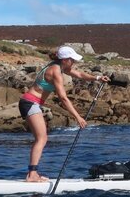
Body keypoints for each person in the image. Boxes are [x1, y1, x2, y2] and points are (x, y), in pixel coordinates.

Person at [19, 45, 109, 182]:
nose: (74, 62)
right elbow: (63, 98)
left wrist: (97, 78)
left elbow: (78, 74)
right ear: (65, 59)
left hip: (31, 103)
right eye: (72, 60)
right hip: (30, 103)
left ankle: (33, 173)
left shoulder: (59, 66)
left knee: (41, 139)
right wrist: (78, 117)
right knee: (41, 139)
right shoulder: (55, 71)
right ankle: (32, 175)